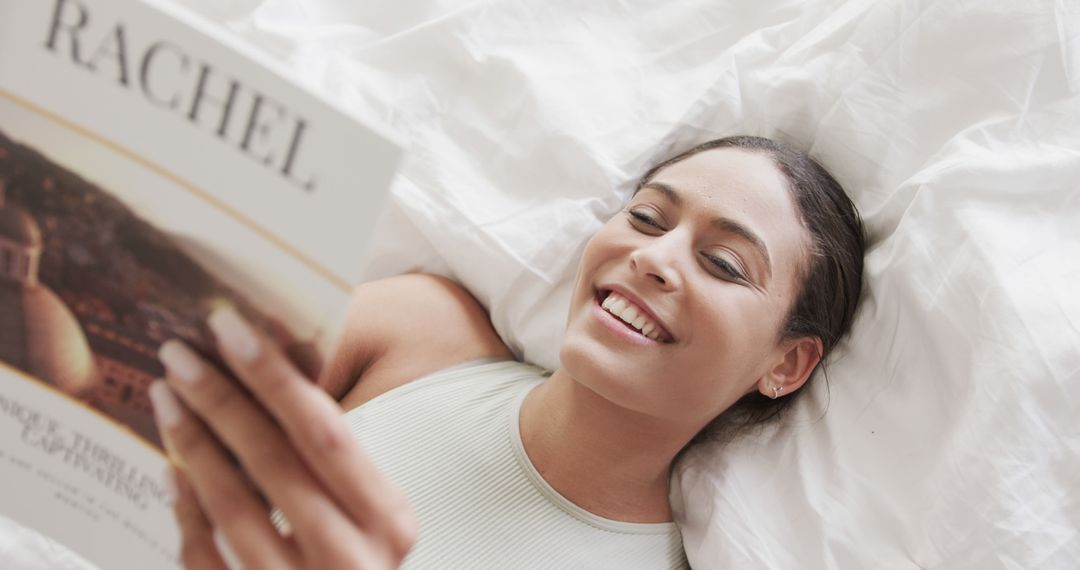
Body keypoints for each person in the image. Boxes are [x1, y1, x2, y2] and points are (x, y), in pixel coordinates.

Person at [148, 135, 865, 569]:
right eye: (646, 218)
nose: (654, 258)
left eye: (724, 264)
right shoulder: (423, 332)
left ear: (786, 364)